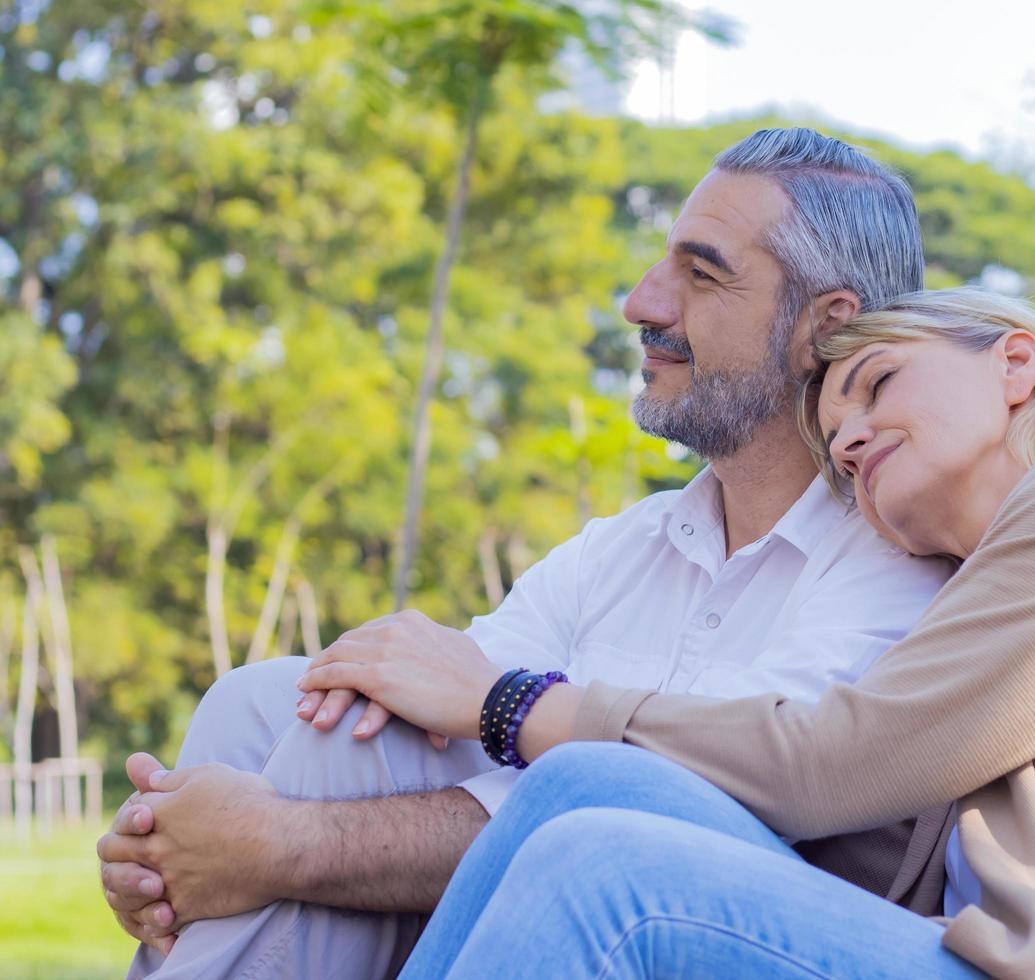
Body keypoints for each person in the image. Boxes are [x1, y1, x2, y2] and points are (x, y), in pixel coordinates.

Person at [299, 287, 1035, 978]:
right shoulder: (973, 596)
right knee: (577, 793)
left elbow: (840, 756)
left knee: (607, 868)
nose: (855, 439)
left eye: (879, 384)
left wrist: (511, 702)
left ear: (1015, 362)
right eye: (837, 449)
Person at [96, 128, 954, 979]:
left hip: (713, 929)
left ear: (823, 326)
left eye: (702, 274)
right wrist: (174, 855)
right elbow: (429, 713)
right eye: (663, 266)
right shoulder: (625, 549)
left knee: (346, 765)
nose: (642, 304)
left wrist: (281, 844)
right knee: (276, 705)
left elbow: (698, 800)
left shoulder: (893, 561)